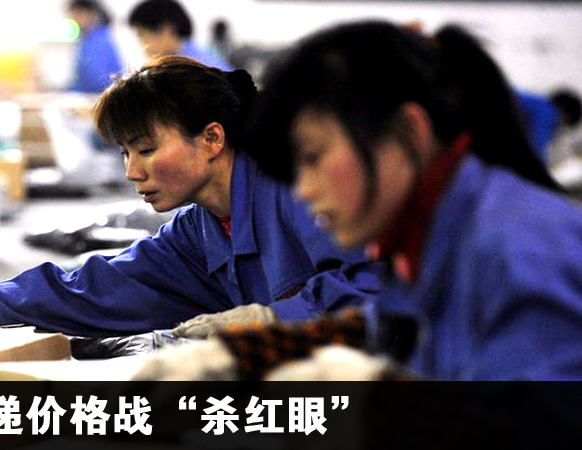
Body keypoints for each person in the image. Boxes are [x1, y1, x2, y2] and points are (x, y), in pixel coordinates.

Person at [138, 21, 582, 381]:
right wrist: (245, 353)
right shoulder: (427, 237)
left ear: (408, 133)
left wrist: (380, 398)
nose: (303, 190)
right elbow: (385, 326)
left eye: (313, 158)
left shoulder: (518, 247)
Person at [0, 55, 381, 338]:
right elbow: (94, 288)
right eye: (124, 153)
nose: (131, 172)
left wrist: (271, 319)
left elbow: (382, 289)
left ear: (212, 139)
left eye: (146, 149)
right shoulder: (199, 232)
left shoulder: (303, 192)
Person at [127, 0, 232, 70]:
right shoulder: (187, 61)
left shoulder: (196, 68)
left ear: (166, 30)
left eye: (141, 35)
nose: (140, 44)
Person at [67, 0, 124, 94]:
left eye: (77, 15)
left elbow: (98, 81)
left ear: (90, 13)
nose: (74, 20)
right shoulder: (87, 38)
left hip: (99, 95)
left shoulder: (99, 41)